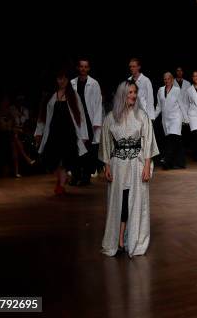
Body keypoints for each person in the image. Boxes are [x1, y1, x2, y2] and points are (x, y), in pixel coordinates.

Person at [99, 80, 159, 258]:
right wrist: (106, 165)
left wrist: (147, 166)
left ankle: (130, 240)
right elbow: (106, 143)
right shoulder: (111, 117)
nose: (133, 96)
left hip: (136, 164)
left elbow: (147, 142)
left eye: (134, 92)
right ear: (122, 95)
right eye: (129, 93)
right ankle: (118, 240)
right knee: (120, 201)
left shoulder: (142, 116)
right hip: (118, 165)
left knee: (134, 201)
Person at [35, 70, 88, 195]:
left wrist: (84, 135)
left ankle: (61, 184)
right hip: (54, 133)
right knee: (54, 160)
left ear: (68, 80)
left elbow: (81, 116)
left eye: (64, 79)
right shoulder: (50, 96)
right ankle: (61, 181)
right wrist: (39, 132)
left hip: (68, 133)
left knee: (65, 161)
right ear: (56, 80)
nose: (62, 81)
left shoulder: (73, 95)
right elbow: (43, 117)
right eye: (60, 79)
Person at [70, 58, 104, 186]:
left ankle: (85, 177)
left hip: (89, 121)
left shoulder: (94, 83)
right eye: (81, 66)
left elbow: (97, 104)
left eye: (86, 67)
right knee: (75, 148)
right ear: (78, 68)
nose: (83, 69)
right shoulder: (72, 83)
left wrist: (96, 123)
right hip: (76, 120)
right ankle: (75, 175)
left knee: (88, 150)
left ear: (88, 69)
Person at [155, 72, 188, 169]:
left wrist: (186, 119)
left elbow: (182, 104)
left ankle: (167, 161)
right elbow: (159, 106)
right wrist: (152, 117)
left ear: (172, 79)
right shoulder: (160, 90)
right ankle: (180, 162)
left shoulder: (177, 90)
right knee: (176, 141)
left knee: (172, 138)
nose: (166, 81)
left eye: (168, 79)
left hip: (176, 118)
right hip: (166, 120)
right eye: (165, 79)